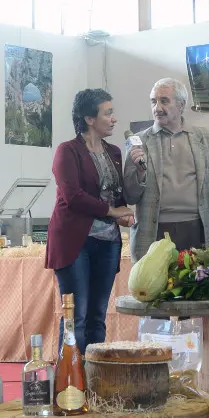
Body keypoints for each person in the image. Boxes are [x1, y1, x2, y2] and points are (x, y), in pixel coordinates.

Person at [45, 89, 133, 352]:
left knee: (98, 315)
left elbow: (117, 196)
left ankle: (95, 378)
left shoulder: (115, 152)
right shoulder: (67, 151)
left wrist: (123, 212)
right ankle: (71, 382)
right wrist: (112, 212)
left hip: (108, 243)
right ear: (90, 119)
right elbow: (72, 196)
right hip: (75, 243)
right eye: (108, 113)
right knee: (76, 316)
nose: (114, 118)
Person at [123, 78, 209, 259]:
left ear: (181, 105)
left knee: (199, 286)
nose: (157, 108)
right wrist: (140, 172)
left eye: (164, 101)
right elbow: (130, 196)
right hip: (154, 232)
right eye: (153, 101)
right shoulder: (138, 142)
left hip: (198, 230)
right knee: (157, 288)